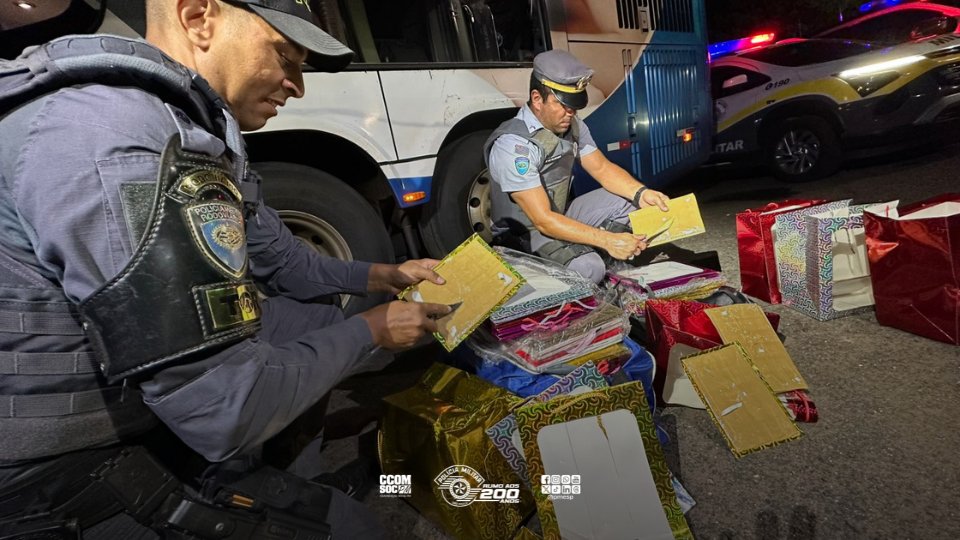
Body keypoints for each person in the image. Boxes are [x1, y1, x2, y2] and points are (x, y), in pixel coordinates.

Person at [0, 0, 450, 538]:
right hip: (54, 472)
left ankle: (281, 466)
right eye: (285, 56)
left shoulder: (191, 128)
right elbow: (226, 409)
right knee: (355, 529)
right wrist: (375, 331)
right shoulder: (123, 135)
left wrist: (388, 275)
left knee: (315, 320)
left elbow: (287, 264)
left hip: (122, 408)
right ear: (198, 18)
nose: (296, 86)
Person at [485, 49, 671, 284]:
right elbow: (542, 220)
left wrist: (643, 193)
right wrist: (606, 240)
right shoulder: (514, 146)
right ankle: (578, 268)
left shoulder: (571, 124)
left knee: (630, 201)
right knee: (589, 268)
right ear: (536, 99)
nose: (570, 112)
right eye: (562, 104)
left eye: (573, 105)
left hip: (557, 215)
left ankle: (604, 259)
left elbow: (602, 169)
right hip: (524, 234)